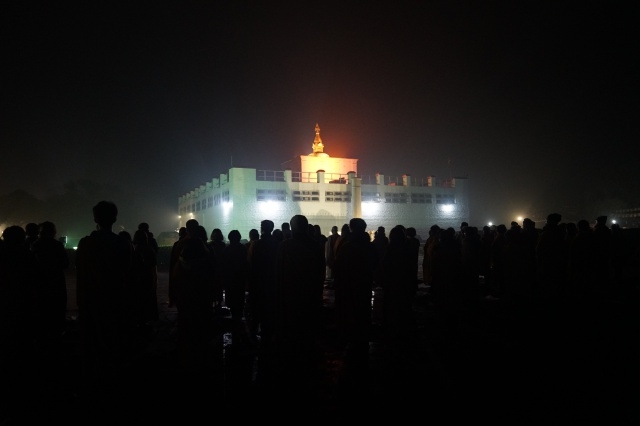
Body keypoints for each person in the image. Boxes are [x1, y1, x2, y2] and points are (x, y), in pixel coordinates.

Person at [75, 201, 133, 393]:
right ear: (115, 219)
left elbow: (81, 275)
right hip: (116, 301)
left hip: (92, 300)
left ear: (95, 219)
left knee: (92, 345)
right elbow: (128, 276)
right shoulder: (122, 244)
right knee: (114, 343)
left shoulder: (86, 244)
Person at [30, 221, 70, 344]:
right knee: (57, 309)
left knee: (41, 310)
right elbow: (65, 263)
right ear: (53, 232)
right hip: (56, 282)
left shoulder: (35, 245)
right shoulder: (57, 245)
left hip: (39, 282)